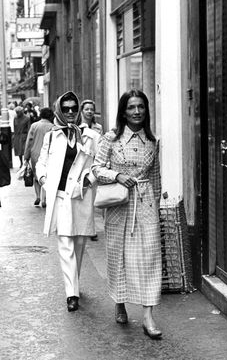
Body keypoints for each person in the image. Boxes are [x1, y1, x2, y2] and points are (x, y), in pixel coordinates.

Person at [92, 89, 162, 339]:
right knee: (118, 257)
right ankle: (120, 303)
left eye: (141, 107)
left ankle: (148, 316)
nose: (137, 112)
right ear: (123, 111)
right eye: (131, 107)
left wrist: (157, 205)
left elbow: (155, 176)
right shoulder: (110, 138)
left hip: (145, 205)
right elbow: (96, 169)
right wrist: (117, 175)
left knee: (150, 258)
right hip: (118, 205)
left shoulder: (153, 140)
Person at [36, 91, 100, 312]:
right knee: (65, 244)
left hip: (81, 196)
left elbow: (99, 164)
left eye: (74, 108)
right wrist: (44, 181)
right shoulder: (52, 135)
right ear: (59, 111)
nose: (71, 112)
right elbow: (41, 162)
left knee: (79, 244)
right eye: (66, 109)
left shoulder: (91, 135)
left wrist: (88, 181)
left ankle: (75, 281)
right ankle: (71, 293)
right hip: (60, 196)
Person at [80, 99, 103, 241]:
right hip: (80, 166)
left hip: (93, 166)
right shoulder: (77, 127)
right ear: (82, 111)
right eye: (86, 109)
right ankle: (86, 228)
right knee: (83, 200)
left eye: (91, 109)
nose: (89, 111)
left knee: (91, 201)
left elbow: (100, 147)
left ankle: (90, 229)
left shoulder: (98, 128)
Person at [24, 108, 54, 207]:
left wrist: (26, 156)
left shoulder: (34, 125)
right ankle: (44, 199)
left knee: (36, 176)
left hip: (35, 154)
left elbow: (29, 142)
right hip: (48, 154)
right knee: (46, 176)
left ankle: (38, 196)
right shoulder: (53, 127)